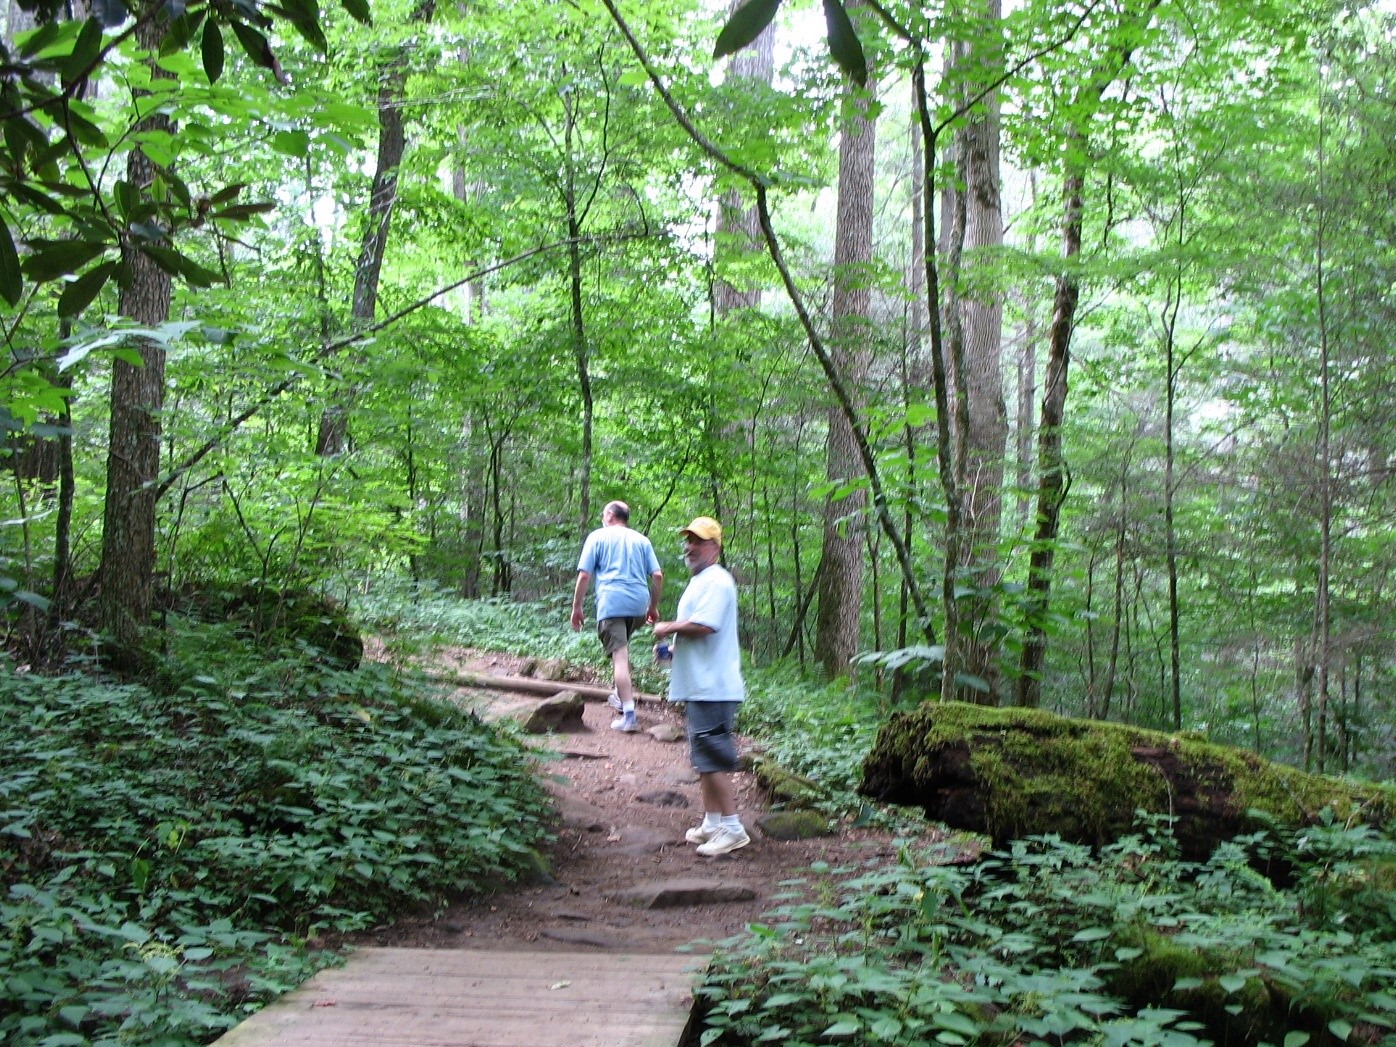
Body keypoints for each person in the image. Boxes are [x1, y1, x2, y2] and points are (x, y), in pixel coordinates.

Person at [653, 516, 749, 857]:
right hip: (700, 684)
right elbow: (706, 632)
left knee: (713, 758)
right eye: (689, 540)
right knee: (702, 757)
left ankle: (733, 828)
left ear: (716, 547)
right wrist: (675, 648)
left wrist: (667, 627)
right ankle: (712, 822)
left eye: (699, 541)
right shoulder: (701, 580)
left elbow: (705, 626)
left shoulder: (718, 581)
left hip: (714, 687)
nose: (690, 546)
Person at [571, 501, 663, 732]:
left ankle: (629, 716)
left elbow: (584, 576)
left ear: (610, 515)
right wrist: (653, 607)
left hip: (612, 602)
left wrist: (577, 607)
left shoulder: (598, 537)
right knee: (621, 650)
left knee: (619, 658)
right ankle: (620, 694)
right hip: (638, 605)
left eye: (604, 514)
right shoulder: (642, 540)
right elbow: (658, 575)